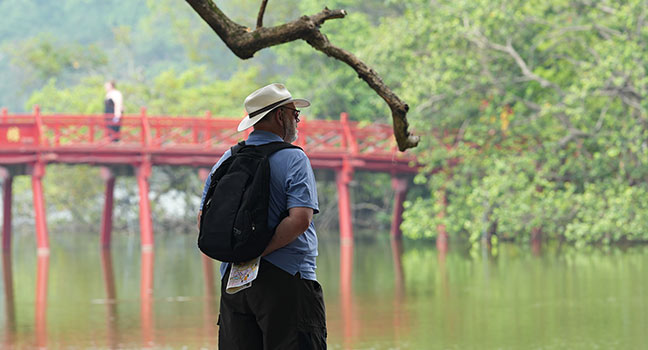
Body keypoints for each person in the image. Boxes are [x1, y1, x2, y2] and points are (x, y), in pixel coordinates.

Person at [198, 83, 327, 349]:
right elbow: (301, 219)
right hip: (287, 279)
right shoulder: (294, 158)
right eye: (294, 114)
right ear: (280, 116)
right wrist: (258, 251)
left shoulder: (227, 158)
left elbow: (204, 219)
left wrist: (242, 255)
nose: (297, 120)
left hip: (234, 282)